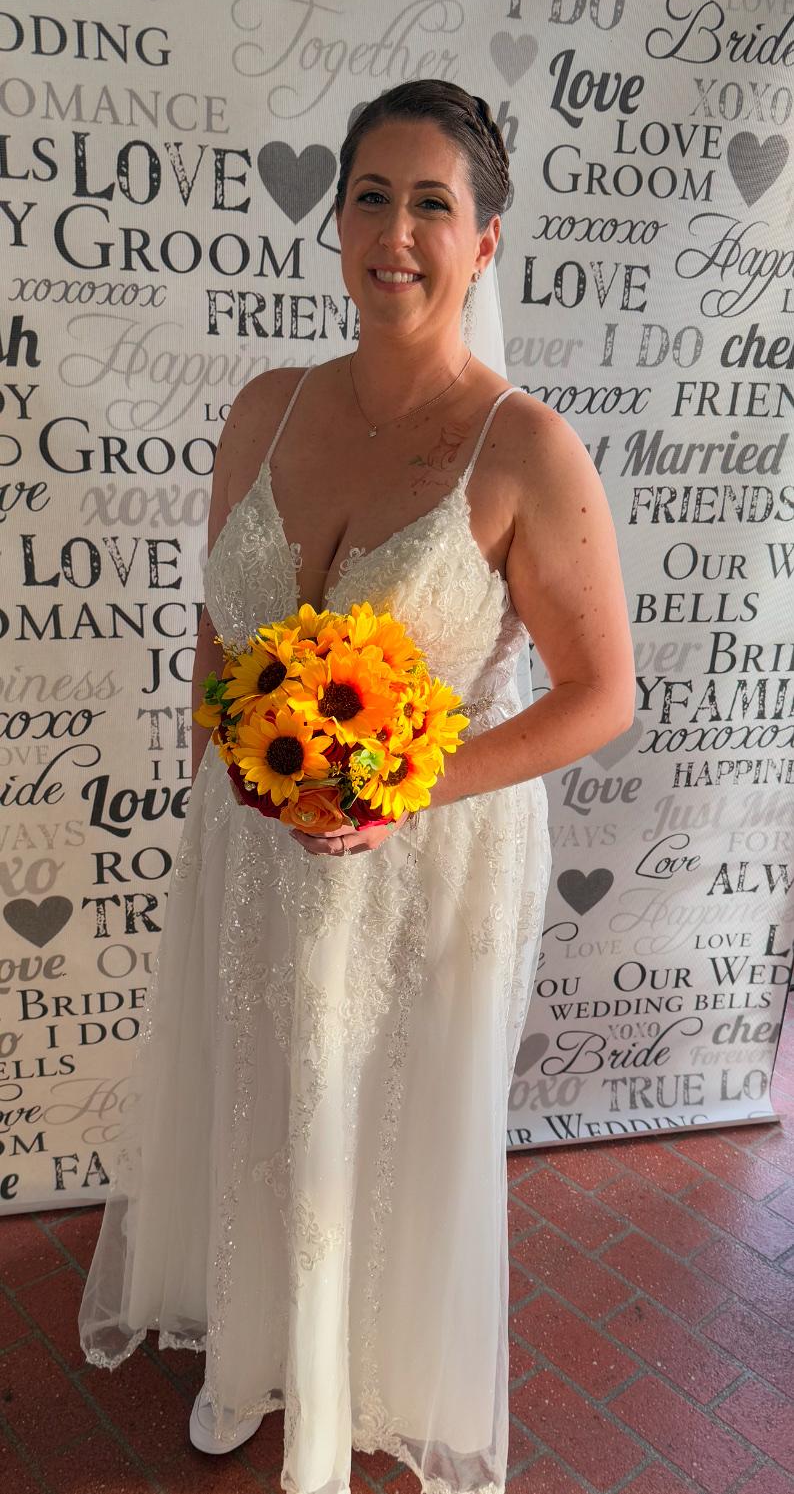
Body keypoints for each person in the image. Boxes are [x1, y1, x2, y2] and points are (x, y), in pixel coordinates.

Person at [78, 79, 636, 1494]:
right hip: (255, 838)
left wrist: (408, 789)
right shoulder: (266, 407)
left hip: (421, 860)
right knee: (259, 1089)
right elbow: (221, 625)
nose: (394, 233)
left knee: (372, 1127)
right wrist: (224, 758)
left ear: (484, 242)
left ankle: (351, 1388)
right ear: (335, 223)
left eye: (431, 205)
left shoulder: (524, 447)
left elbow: (600, 693)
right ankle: (254, 1354)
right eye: (370, 199)